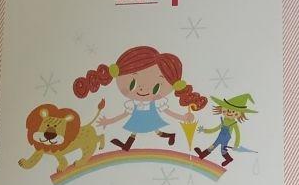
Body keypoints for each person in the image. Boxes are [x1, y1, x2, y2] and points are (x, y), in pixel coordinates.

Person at [73, 45, 206, 152]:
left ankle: (168, 136)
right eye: (132, 84)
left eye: (156, 88)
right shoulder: (133, 104)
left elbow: (167, 112)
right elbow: (124, 114)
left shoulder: (157, 103)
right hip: (139, 119)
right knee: (136, 131)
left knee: (154, 132)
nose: (143, 90)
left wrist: (182, 117)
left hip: (151, 118)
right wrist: (109, 121)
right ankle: (130, 145)